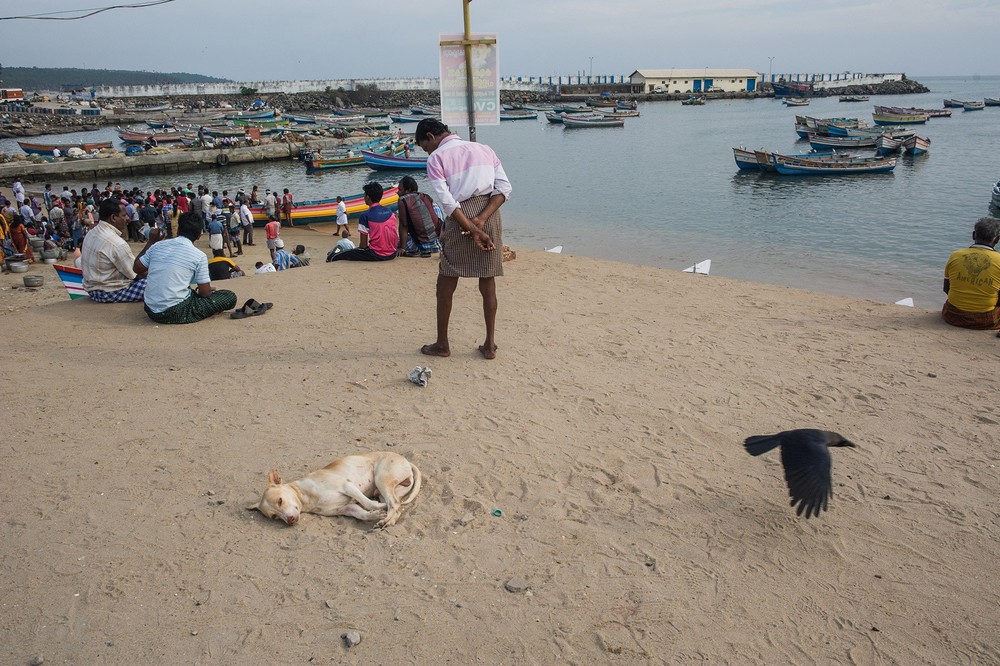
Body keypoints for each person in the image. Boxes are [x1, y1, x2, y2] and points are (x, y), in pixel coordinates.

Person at [414, 118, 512, 360]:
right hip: (490, 213)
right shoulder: (485, 149)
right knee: (487, 281)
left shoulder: (436, 158)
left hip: (461, 216)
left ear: (431, 136)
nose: (426, 150)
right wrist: (481, 221)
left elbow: (447, 202)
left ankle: (442, 344)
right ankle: (490, 345)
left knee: (446, 280)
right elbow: (504, 189)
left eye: (424, 145)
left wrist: (471, 225)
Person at [136, 212, 237, 324]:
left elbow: (136, 268)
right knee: (229, 296)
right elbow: (205, 294)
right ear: (199, 235)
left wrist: (151, 242)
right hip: (175, 311)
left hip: (150, 309)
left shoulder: (157, 246)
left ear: (178, 229)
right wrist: (206, 290)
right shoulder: (199, 256)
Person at [80, 198, 164, 302]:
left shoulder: (92, 232)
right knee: (163, 282)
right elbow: (137, 273)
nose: (127, 218)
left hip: (93, 289)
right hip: (110, 292)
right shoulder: (116, 243)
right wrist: (151, 243)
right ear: (113, 217)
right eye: (124, 215)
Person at [942, 217, 1000, 329]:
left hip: (953, 315)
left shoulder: (956, 255)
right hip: (986, 320)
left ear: (974, 235)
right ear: (997, 239)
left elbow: (946, 289)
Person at [328, 182, 398, 262]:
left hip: (377, 254)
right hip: (392, 253)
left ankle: (332, 257)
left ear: (367, 197)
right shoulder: (390, 213)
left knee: (349, 253)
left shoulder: (365, 216)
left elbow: (363, 245)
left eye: (364, 195)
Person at [396, 175, 442, 257]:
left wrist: (402, 248)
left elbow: (403, 225)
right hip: (438, 243)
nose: (398, 192)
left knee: (393, 244)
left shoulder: (403, 200)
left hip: (422, 246)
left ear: (408, 190)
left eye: (400, 190)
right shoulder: (426, 196)